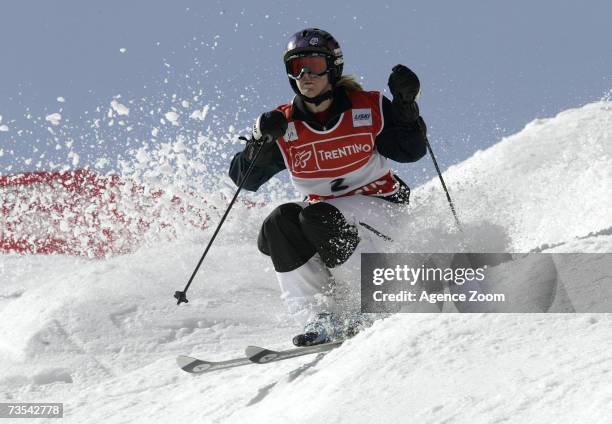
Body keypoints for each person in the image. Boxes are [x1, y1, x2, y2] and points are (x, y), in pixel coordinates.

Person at [229, 28, 427, 346]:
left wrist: (406, 108)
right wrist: (258, 141)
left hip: (382, 210)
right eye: (297, 68)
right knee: (280, 222)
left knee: (318, 216)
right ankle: (320, 314)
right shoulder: (286, 125)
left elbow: (411, 151)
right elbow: (245, 180)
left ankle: (376, 298)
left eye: (314, 66)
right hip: (331, 217)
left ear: (332, 68)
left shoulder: (368, 107)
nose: (305, 75)